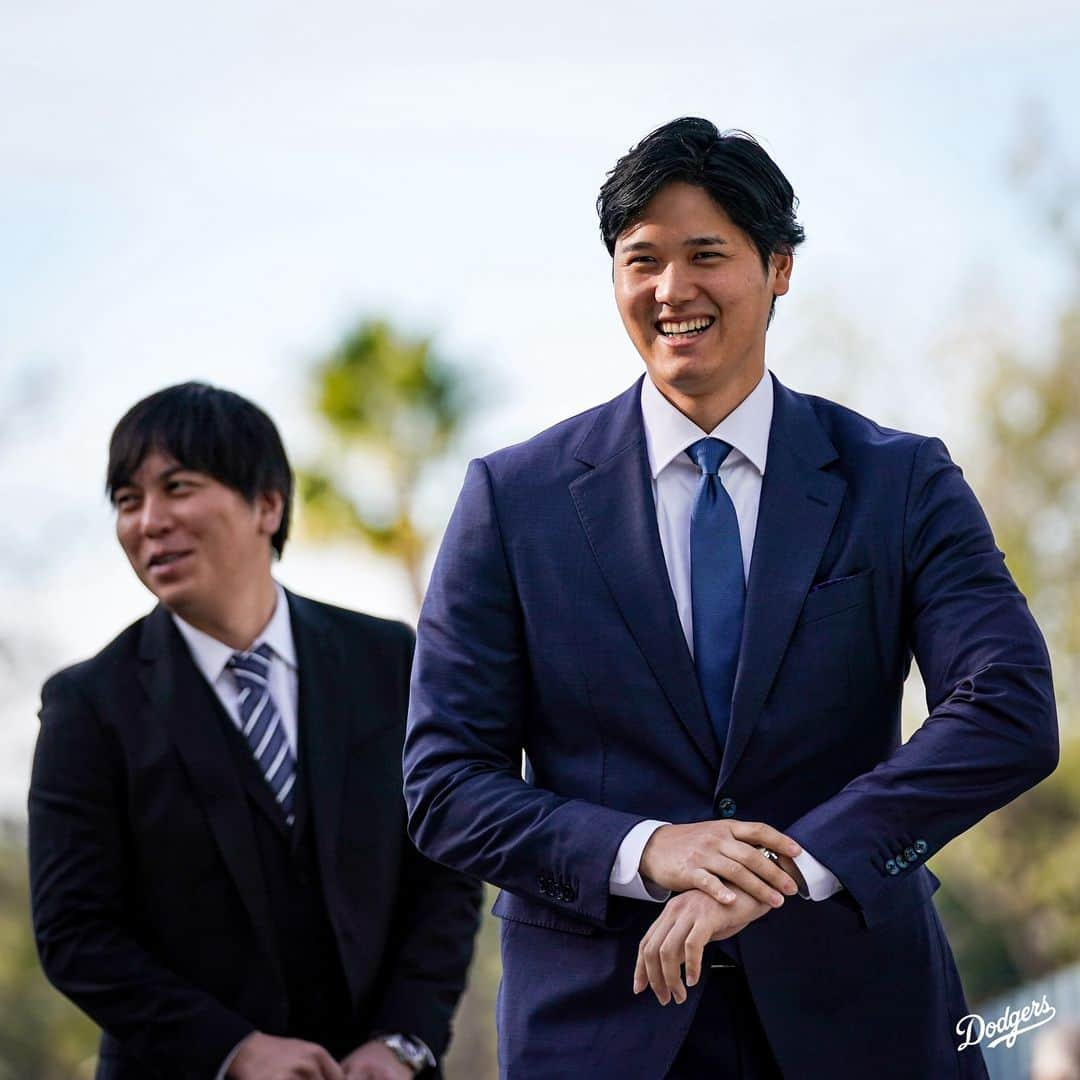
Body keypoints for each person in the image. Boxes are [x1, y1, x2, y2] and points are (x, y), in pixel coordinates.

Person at [402, 118, 1059, 1078]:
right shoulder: (512, 501)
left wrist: (786, 864)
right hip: (603, 1027)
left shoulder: (899, 480)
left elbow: (1008, 710)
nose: (673, 290)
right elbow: (445, 783)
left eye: (706, 254)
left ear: (779, 267)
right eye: (643, 261)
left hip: (865, 1022)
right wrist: (648, 849)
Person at [29, 383, 482, 1080]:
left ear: (267, 504)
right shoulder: (88, 705)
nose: (149, 520)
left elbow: (442, 870)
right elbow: (75, 935)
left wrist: (402, 1041)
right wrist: (232, 1049)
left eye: (177, 487)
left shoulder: (387, 660)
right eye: (127, 500)